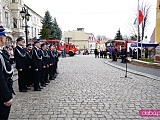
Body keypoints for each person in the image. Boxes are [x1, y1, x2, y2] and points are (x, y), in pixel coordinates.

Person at [0, 25, 14, 119]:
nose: (5, 38)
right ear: (1, 38)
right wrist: (6, 96)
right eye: (5, 36)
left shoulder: (2, 53)